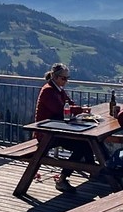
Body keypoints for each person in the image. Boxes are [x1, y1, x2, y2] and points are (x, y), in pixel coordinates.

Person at [34, 62, 91, 193]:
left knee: (86, 143)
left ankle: (94, 172)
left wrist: (78, 108)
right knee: (83, 145)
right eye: (64, 78)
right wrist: (80, 109)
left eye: (67, 78)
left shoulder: (58, 89)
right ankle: (63, 179)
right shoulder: (48, 90)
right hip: (46, 134)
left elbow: (69, 103)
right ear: (55, 77)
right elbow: (60, 109)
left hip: (56, 130)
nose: (66, 81)